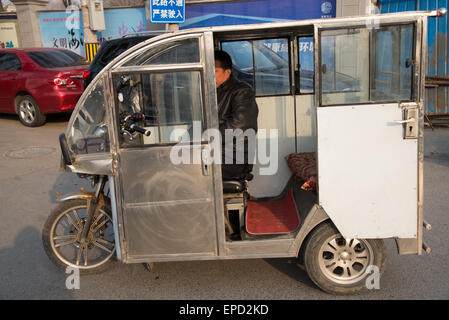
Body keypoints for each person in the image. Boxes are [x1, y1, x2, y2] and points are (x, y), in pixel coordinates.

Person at [215, 50, 259, 180]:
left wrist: (208, 139)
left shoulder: (242, 91)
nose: (210, 75)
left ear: (227, 72)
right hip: (218, 151)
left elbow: (241, 126)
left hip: (234, 156)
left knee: (191, 167)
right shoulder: (212, 92)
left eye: (215, 71)